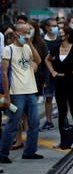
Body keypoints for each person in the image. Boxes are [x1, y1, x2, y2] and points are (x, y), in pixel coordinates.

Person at [0, 24, 43, 163]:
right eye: (24, 33)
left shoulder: (27, 47)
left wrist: (30, 43)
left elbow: (38, 60)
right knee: (13, 123)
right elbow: (5, 74)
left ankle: (30, 151)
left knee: (35, 122)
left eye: (29, 32)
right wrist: (7, 95)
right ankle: (3, 153)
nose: (27, 35)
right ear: (17, 33)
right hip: (17, 92)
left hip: (31, 91)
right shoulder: (8, 49)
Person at [40, 18, 60, 131]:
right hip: (47, 75)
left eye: (56, 25)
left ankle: (64, 119)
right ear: (47, 27)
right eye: (53, 25)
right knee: (48, 97)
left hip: (60, 74)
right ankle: (48, 121)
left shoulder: (61, 40)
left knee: (62, 98)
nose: (56, 28)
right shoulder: (42, 41)